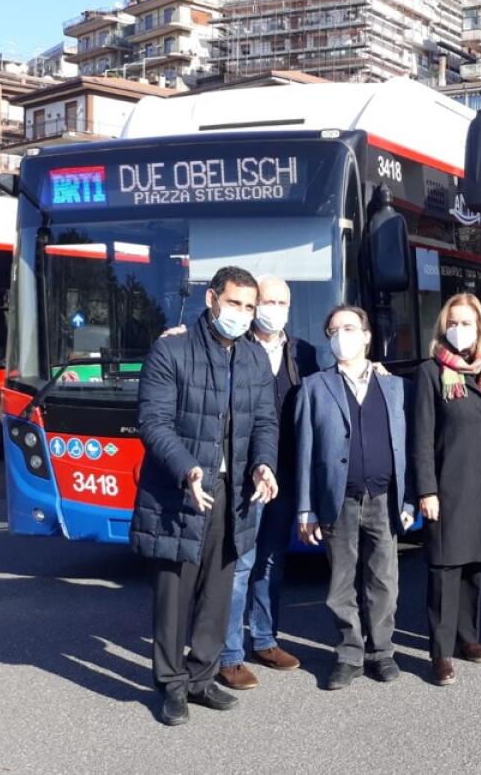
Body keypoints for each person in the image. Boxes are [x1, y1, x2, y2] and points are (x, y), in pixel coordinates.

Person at [131, 266, 279, 726]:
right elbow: (154, 422)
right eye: (234, 303)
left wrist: (264, 464)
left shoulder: (254, 358)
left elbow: (265, 422)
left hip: (233, 494)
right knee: (174, 596)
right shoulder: (170, 349)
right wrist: (188, 469)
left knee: (218, 593)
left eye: (249, 306)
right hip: (181, 493)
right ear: (212, 299)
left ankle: (201, 677)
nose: (242, 313)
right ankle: (171, 685)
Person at [293, 305, 415, 689]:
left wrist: (409, 500)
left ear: (366, 336)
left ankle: (381, 651)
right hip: (337, 500)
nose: (339, 335)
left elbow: (410, 448)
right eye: (332, 330)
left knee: (384, 580)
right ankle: (348, 653)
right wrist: (306, 508)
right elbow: (304, 452)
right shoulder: (314, 388)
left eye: (348, 328)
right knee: (341, 583)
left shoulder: (396, 388)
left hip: (384, 498)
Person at [216, 275, 318, 689]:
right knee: (239, 563)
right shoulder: (235, 348)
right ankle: (228, 654)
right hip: (245, 476)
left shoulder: (304, 353)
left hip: (285, 474)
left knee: (272, 560)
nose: (273, 308)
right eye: (267, 301)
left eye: (282, 302)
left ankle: (264, 638)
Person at [412, 293, 481, 687]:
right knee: (444, 569)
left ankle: (468, 637)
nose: (459, 330)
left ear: (480, 327)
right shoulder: (430, 372)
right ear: (443, 327)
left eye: (467, 323)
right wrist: (426, 490)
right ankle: (440, 653)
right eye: (452, 323)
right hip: (449, 484)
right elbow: (421, 437)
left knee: (476, 565)